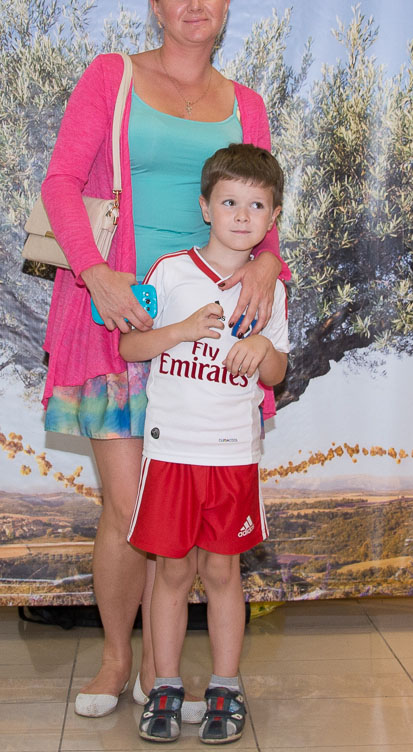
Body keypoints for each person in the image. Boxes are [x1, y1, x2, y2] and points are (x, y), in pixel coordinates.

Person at [40, 0, 288, 719]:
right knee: (130, 509)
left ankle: (164, 670)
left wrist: (266, 266)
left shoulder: (247, 104)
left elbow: (263, 206)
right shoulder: (112, 77)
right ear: (154, 4)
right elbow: (60, 183)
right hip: (119, 319)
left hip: (209, 339)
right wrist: (97, 273)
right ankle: (118, 660)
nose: (193, 5)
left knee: (179, 517)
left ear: (227, 4)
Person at [119, 143, 289, 744]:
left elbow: (277, 371)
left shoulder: (269, 291)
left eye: (257, 205)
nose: (242, 215)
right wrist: (181, 331)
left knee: (222, 572)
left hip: (231, 456)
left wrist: (262, 350)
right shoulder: (169, 272)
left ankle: (225, 686)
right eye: (230, 202)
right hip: (170, 453)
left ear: (272, 217)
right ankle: (165, 686)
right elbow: (130, 347)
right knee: (171, 573)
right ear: (205, 207)